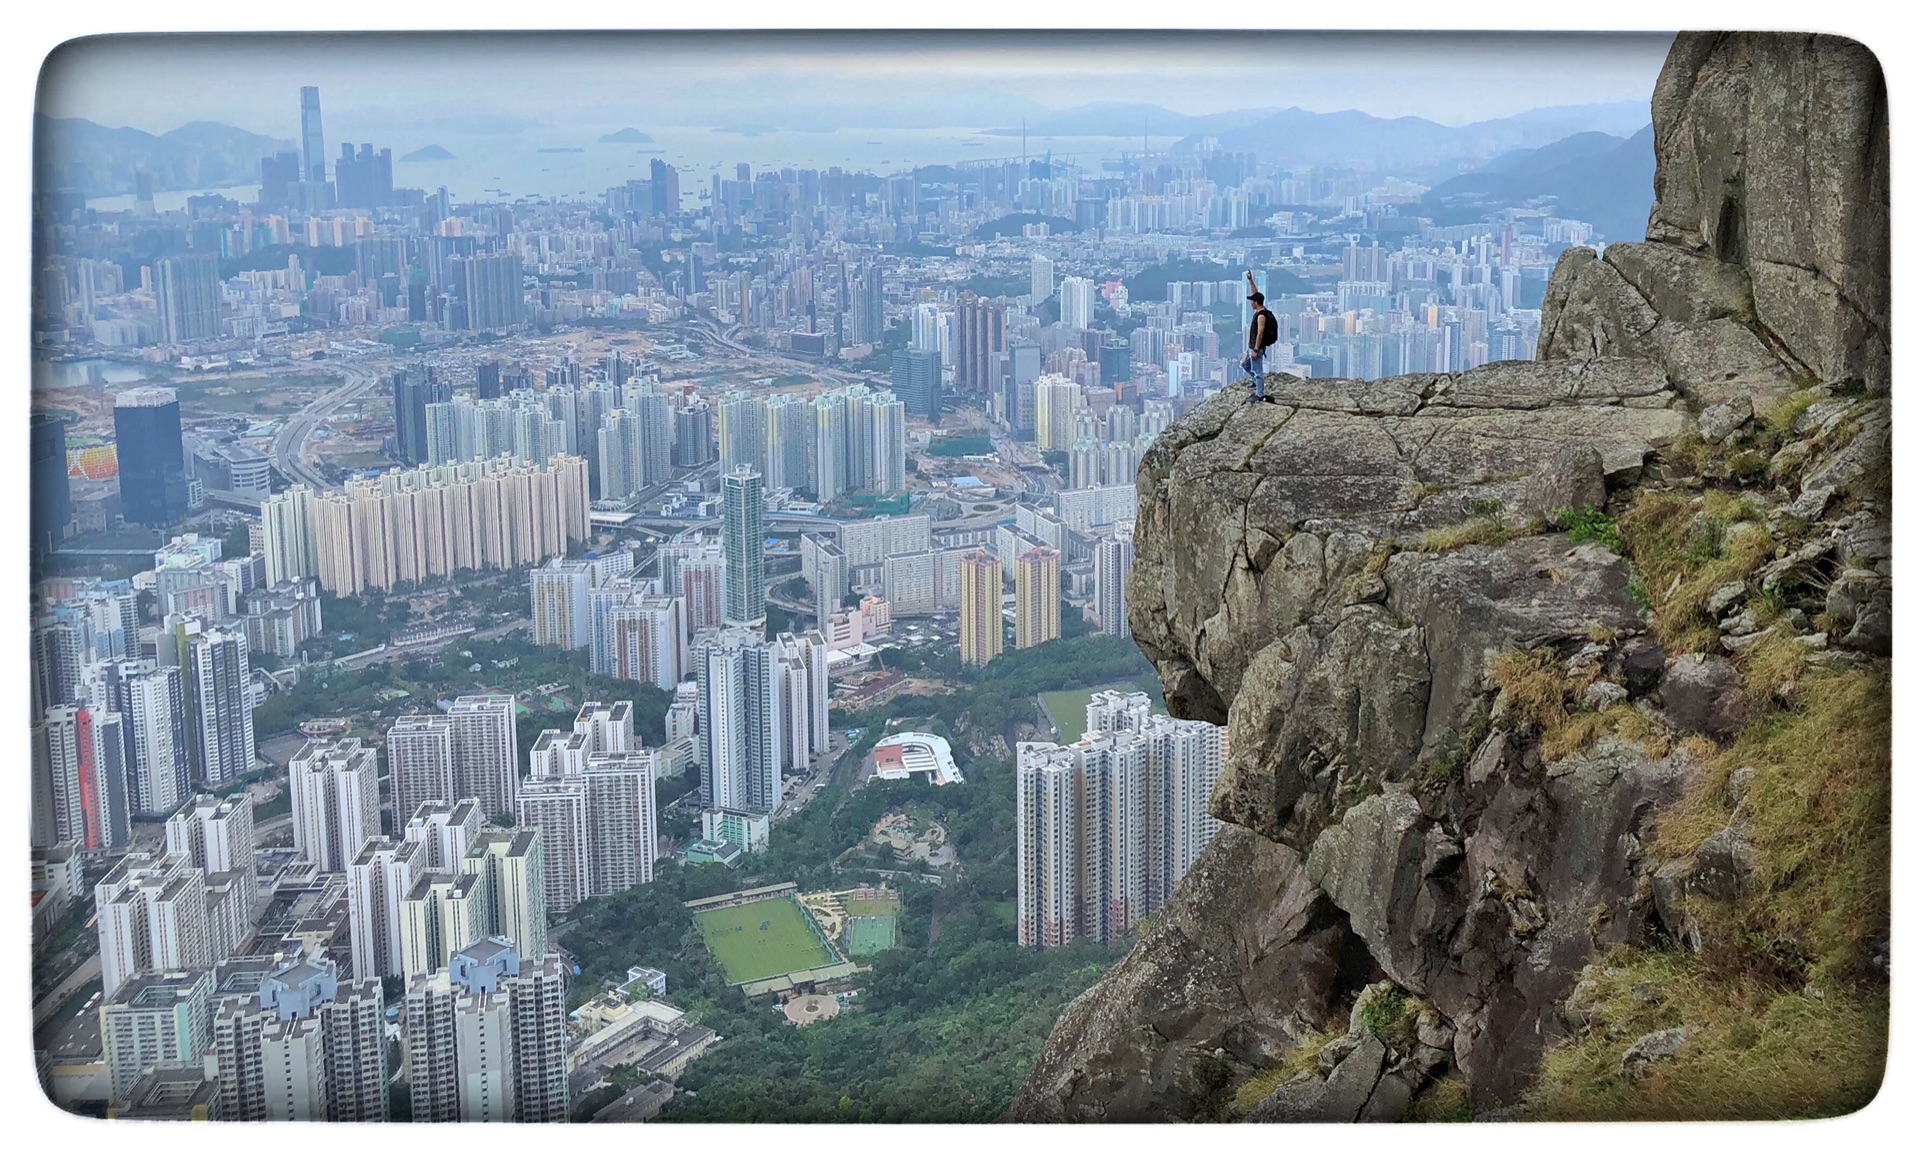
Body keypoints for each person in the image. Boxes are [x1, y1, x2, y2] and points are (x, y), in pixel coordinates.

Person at [1242, 270, 1279, 403]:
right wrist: (1251, 281)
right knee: (1244, 365)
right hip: (1251, 346)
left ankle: (1259, 394)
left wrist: (1256, 350)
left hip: (1256, 347)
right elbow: (1255, 293)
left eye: (1252, 301)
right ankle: (1257, 384)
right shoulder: (1260, 309)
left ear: (1256, 303)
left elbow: (1260, 333)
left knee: (1258, 372)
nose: (1251, 302)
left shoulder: (1262, 316)